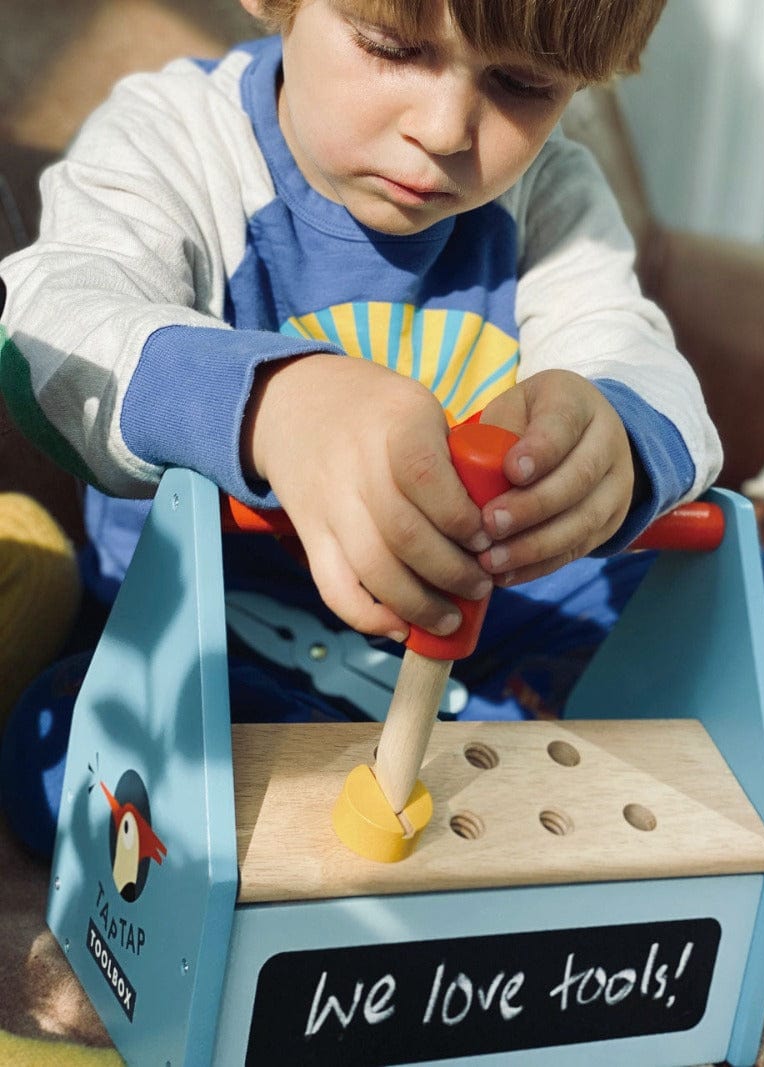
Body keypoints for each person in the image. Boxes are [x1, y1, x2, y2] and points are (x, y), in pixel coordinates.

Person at [0, 0, 727, 854]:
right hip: (220, 641)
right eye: (393, 49)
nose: (446, 129)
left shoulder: (550, 194)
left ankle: (514, 734)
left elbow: (638, 359)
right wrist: (277, 407)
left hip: (484, 632)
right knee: (74, 750)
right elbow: (52, 337)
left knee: (760, 603)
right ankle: (496, 743)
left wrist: (613, 440)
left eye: (522, 85)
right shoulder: (178, 140)